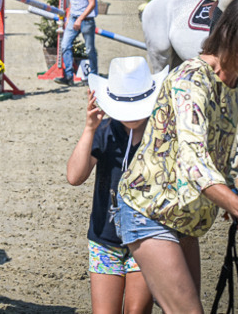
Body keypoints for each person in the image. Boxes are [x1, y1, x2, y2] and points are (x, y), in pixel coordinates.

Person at [116, 0, 238, 312]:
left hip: (184, 217)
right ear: (230, 33)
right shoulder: (190, 79)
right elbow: (194, 164)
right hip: (150, 210)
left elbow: (215, 153)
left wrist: (228, 194)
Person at [67, 57, 166, 314]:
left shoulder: (161, 134)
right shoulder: (106, 130)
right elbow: (75, 176)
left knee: (136, 311)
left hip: (147, 239)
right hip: (104, 239)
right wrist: (89, 128)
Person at [55, 0, 98, 86]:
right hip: (73, 18)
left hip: (86, 20)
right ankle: (69, 75)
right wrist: (69, 17)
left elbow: (92, 3)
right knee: (65, 45)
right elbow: (72, 2)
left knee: (90, 49)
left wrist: (80, 19)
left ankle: (94, 77)